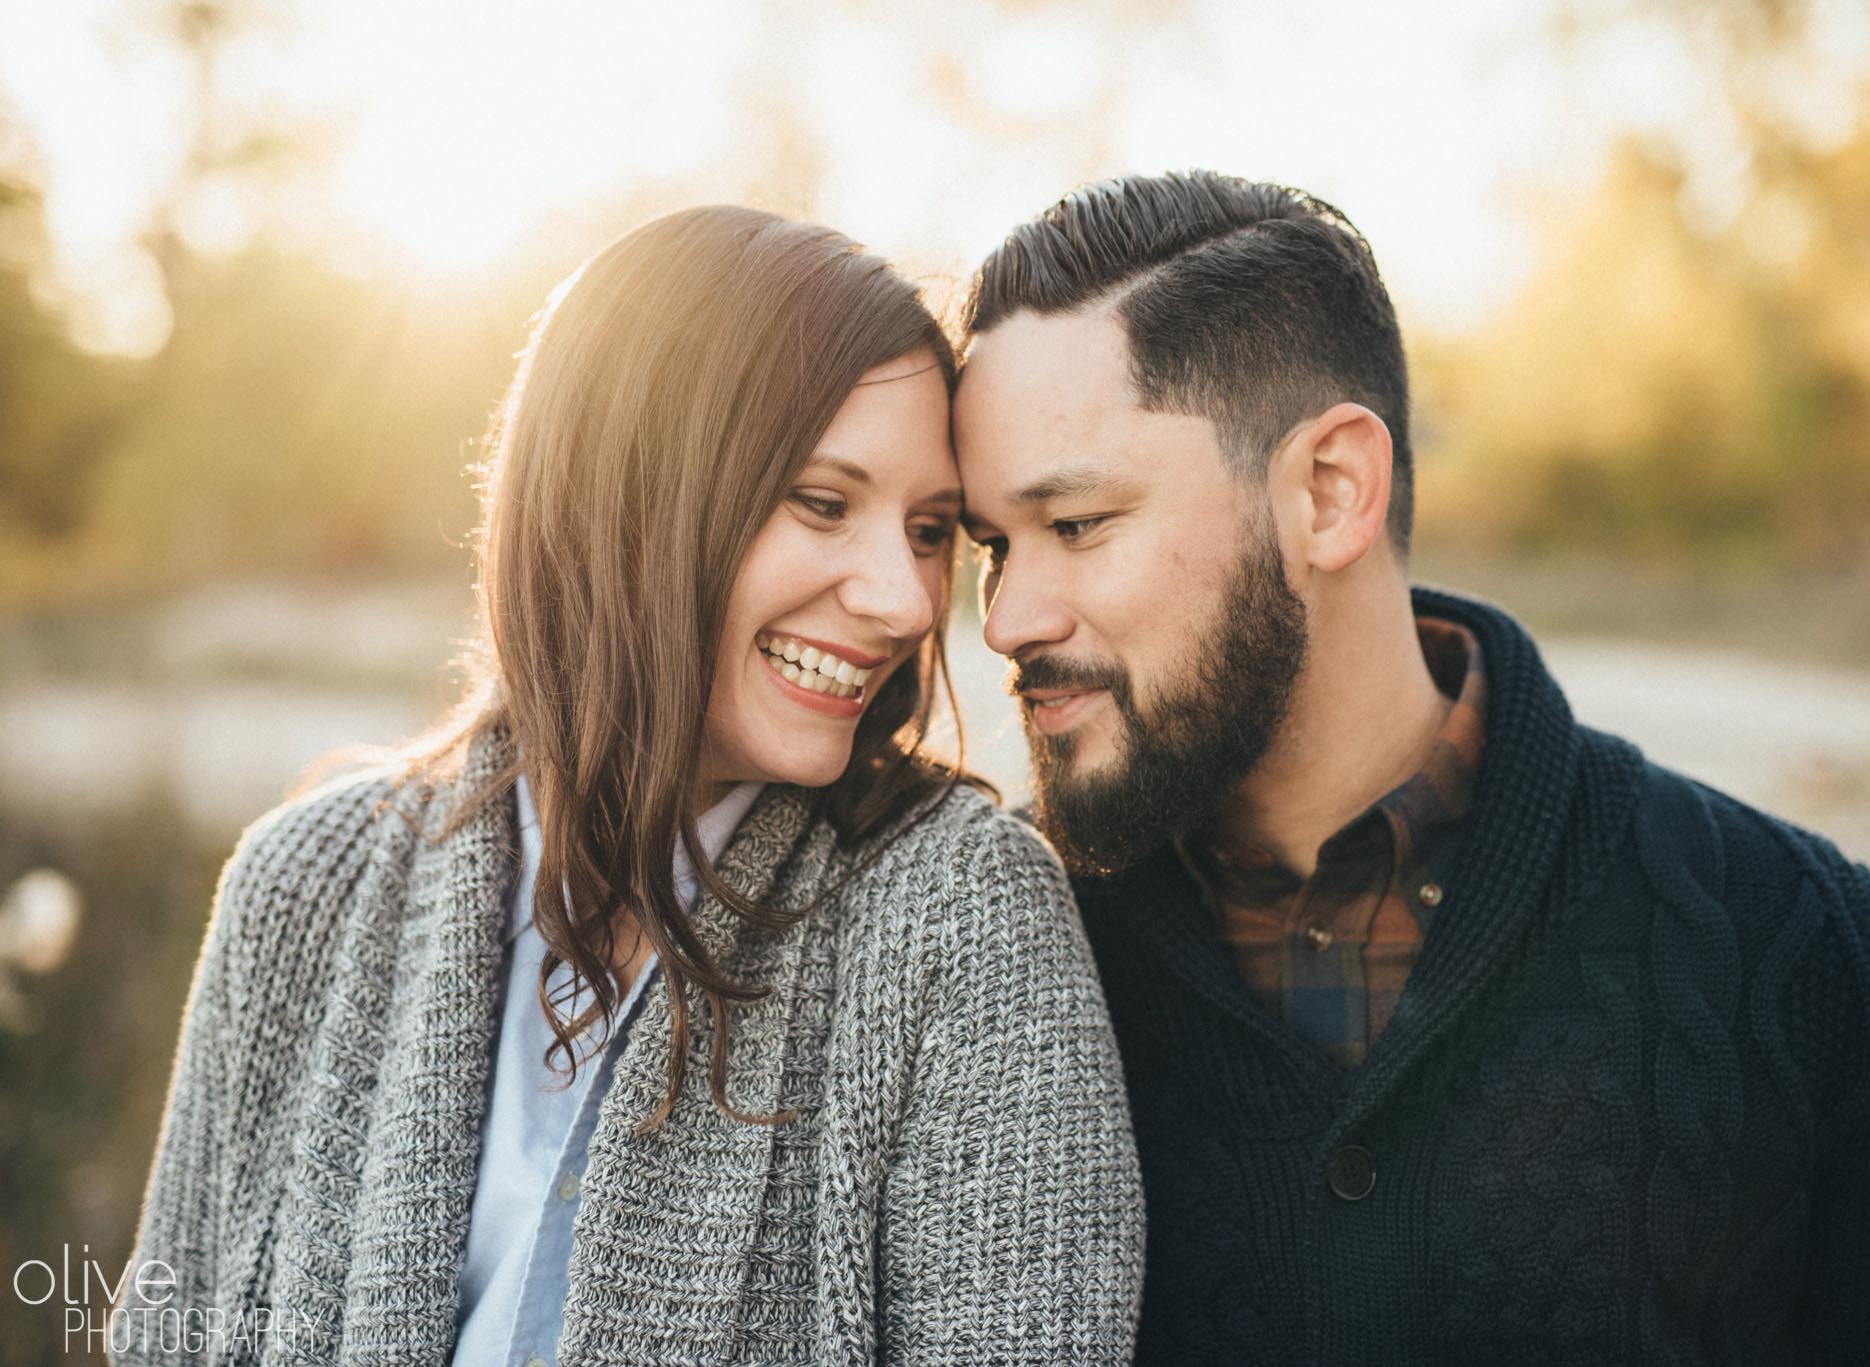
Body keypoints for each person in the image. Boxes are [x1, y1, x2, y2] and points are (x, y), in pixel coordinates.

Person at [952, 169, 1870, 1365]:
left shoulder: (1790, 941)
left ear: (1327, 492)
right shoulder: (980, 966)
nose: (1005, 617)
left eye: (1073, 525)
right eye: (987, 545)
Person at [117, 206, 1143, 1366]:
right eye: (822, 501)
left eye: (926, 530)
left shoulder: (961, 914)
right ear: (628, 496)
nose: (905, 601)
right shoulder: (305, 884)